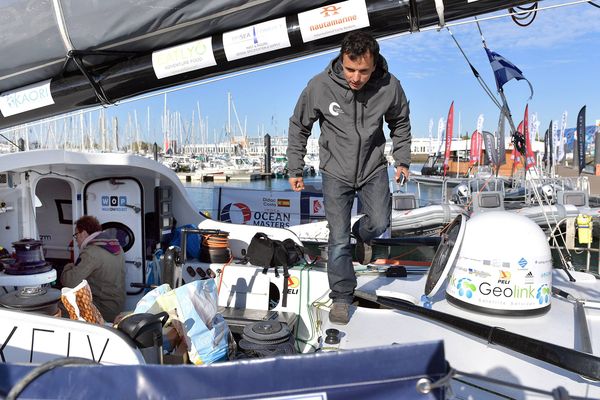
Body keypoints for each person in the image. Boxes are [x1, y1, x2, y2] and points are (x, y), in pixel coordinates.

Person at [286, 30, 411, 325]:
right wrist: (295, 167)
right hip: (335, 172)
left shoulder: (390, 87)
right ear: (342, 61)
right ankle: (342, 296)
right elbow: (299, 126)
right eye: (350, 69)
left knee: (380, 222)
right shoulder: (320, 86)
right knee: (339, 240)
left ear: (374, 64)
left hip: (373, 168)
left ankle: (363, 235)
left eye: (363, 71)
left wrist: (403, 160)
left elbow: (400, 122)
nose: (355, 77)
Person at [61, 215, 126, 322]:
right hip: (116, 305)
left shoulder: (91, 252)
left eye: (76, 235)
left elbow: (69, 282)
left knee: (60, 307)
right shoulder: (117, 247)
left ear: (84, 233)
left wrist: (68, 266)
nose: (76, 240)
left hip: (103, 309)